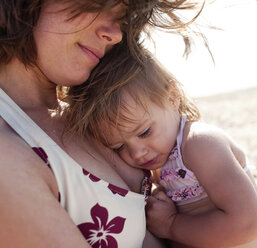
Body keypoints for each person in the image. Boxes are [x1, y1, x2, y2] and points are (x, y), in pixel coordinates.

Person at [0, 0, 206, 247]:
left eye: (121, 19)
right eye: (97, 5)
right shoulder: (8, 145)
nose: (116, 34)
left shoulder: (93, 117)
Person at [64, 50, 257, 248]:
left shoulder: (200, 144)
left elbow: (247, 224)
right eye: (119, 146)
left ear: (172, 97)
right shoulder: (164, 156)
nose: (137, 152)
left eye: (145, 132)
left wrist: (171, 225)